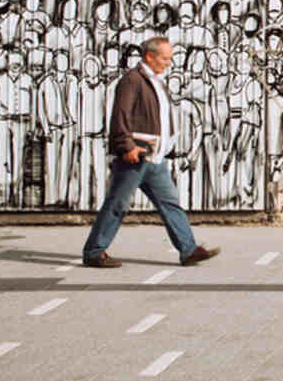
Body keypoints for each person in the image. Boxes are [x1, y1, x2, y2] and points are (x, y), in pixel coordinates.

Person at [82, 36, 219, 268]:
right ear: (149, 56)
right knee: (118, 203)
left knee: (170, 202)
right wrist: (126, 146)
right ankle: (94, 252)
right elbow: (120, 115)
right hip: (136, 155)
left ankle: (188, 250)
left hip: (155, 157)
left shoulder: (157, 81)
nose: (169, 63)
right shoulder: (133, 80)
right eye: (165, 58)